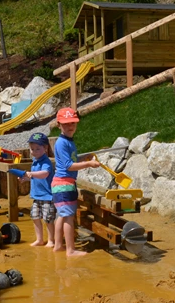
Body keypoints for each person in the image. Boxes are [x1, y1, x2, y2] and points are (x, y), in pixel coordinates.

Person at [52, 107, 100, 257]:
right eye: (66, 124)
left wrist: (82, 159)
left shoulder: (68, 141)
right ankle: (70, 250)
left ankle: (58, 245)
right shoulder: (62, 143)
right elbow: (68, 166)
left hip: (62, 184)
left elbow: (71, 161)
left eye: (72, 123)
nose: (70, 126)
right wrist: (88, 164)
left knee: (61, 215)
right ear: (59, 124)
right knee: (68, 217)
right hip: (64, 184)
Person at [22, 132, 56, 247]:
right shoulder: (35, 161)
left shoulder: (46, 162)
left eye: (37, 149)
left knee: (48, 219)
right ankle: (39, 239)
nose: (34, 151)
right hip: (36, 196)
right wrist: (26, 178)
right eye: (32, 149)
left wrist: (31, 173)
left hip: (47, 196)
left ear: (45, 148)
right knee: (35, 217)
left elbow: (45, 174)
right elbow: (36, 178)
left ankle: (51, 240)